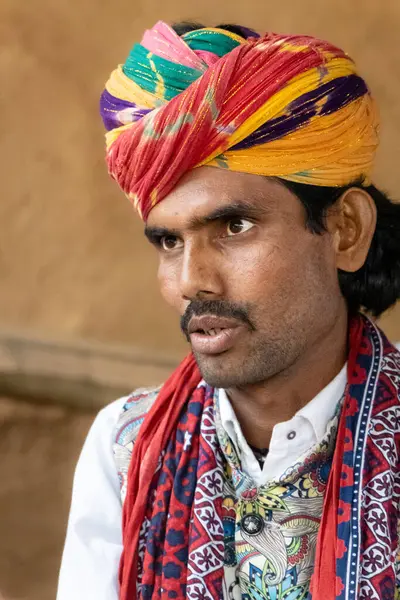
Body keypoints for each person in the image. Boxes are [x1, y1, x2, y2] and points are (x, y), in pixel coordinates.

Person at [57, 20, 400, 600]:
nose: (192, 281)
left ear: (345, 230)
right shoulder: (126, 449)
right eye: (169, 241)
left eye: (234, 227)